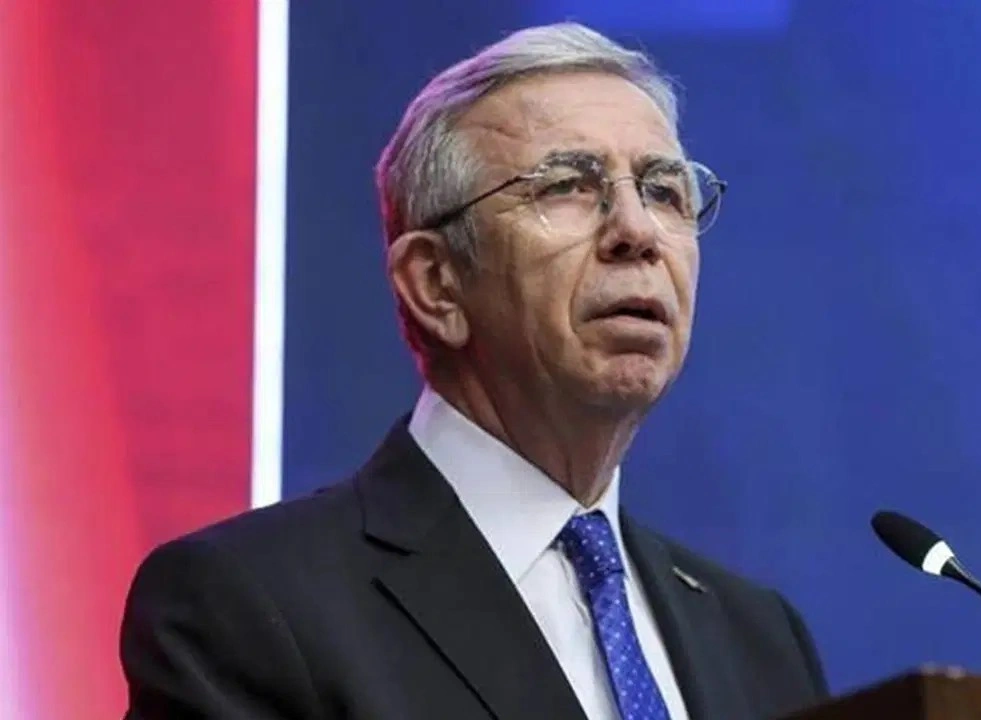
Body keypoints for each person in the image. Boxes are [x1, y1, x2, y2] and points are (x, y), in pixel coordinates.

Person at [120, 22, 829, 720]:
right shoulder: (250, 608)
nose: (637, 232)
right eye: (568, 186)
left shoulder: (760, 639)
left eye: (664, 191)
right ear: (436, 284)